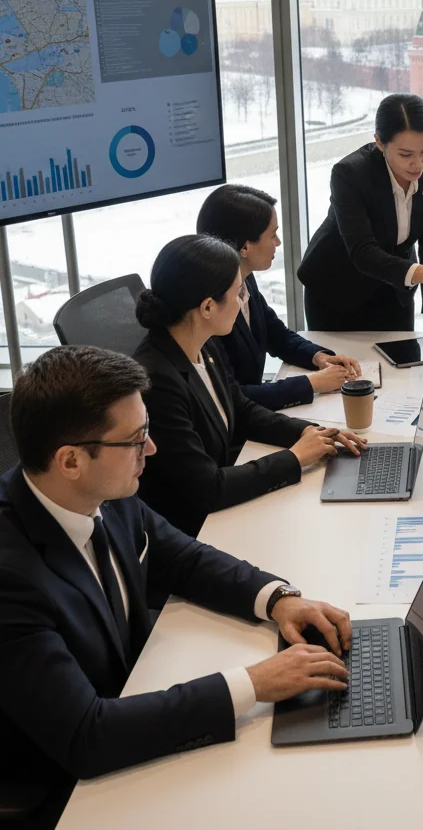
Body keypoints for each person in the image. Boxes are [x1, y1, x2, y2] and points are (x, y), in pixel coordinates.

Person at [0, 345, 355, 830]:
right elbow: (86, 736)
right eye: (136, 439)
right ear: (70, 461)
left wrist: (277, 599)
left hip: (136, 692)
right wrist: (254, 683)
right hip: (72, 785)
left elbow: (181, 557)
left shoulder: (103, 490)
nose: (152, 450)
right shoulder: (10, 574)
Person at [134, 235, 366, 538]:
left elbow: (241, 410)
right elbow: (207, 489)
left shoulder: (202, 345)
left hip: (224, 501)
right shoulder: (159, 382)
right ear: (207, 307)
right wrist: (295, 458)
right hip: (197, 529)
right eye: (237, 292)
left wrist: (310, 432)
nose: (243, 300)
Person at [298, 93, 423, 346]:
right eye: (405, 154)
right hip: (337, 287)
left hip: (395, 289)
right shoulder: (350, 173)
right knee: (343, 377)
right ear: (379, 142)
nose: (418, 164)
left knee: (400, 369)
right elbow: (362, 251)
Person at [196, 183, 361, 410]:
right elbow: (229, 395)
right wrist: (310, 384)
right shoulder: (209, 305)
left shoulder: (243, 277)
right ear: (244, 247)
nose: (278, 243)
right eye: (272, 235)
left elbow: (275, 333)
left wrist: (318, 357)